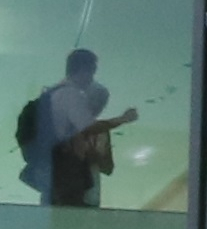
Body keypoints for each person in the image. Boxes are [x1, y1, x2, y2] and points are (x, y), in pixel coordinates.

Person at [12, 49, 137, 210]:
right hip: (65, 174)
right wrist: (122, 119)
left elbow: (107, 166)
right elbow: (88, 127)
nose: (91, 78)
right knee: (70, 216)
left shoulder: (52, 94)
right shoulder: (70, 94)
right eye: (91, 72)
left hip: (54, 173)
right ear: (84, 70)